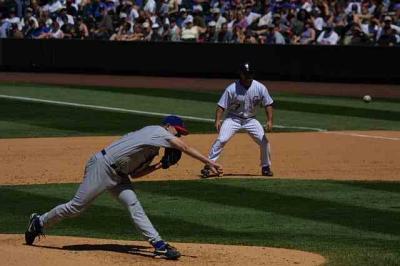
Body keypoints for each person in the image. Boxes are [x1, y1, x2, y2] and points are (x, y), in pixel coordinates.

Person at [25, 115, 223, 260]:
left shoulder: (152, 150)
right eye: (178, 132)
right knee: (76, 208)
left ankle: (159, 245)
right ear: (169, 127)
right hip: (102, 167)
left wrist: (160, 165)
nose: (180, 136)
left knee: (133, 205)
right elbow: (185, 148)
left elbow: (134, 174)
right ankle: (39, 222)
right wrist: (210, 162)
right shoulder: (157, 131)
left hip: (119, 176)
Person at [200, 62, 274, 178]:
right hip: (233, 118)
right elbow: (221, 106)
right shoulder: (231, 88)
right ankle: (209, 166)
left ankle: (266, 167)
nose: (248, 76)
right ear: (241, 74)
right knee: (221, 139)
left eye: (250, 74)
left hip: (251, 120)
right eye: (246, 74)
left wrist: (269, 121)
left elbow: (268, 104)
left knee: (264, 142)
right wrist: (217, 120)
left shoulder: (260, 87)